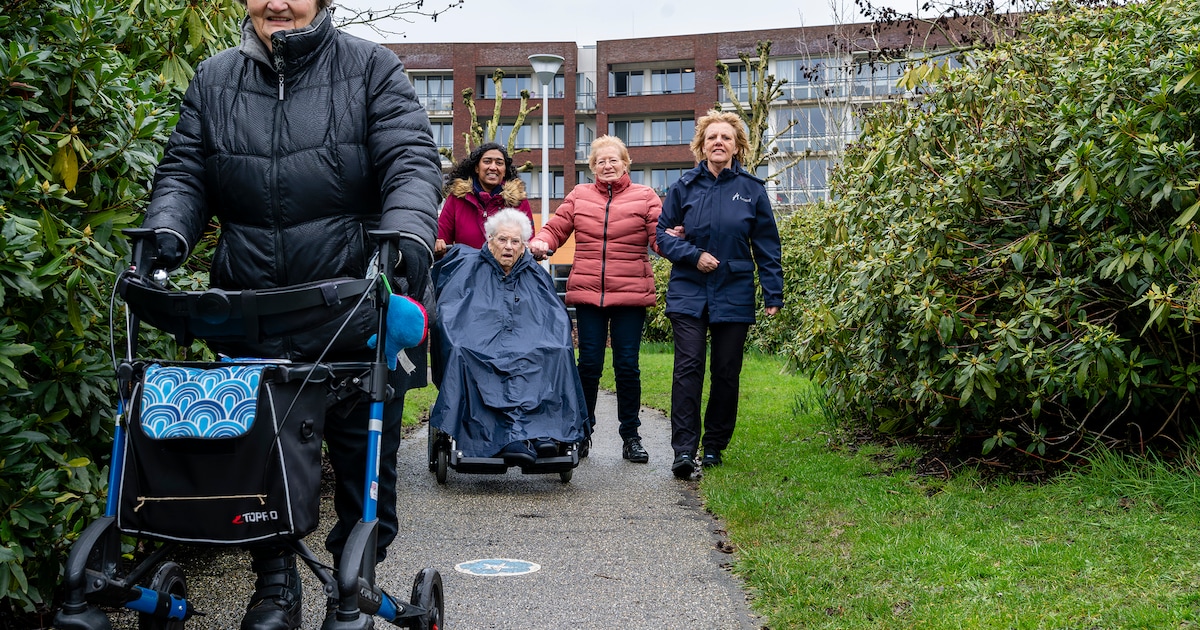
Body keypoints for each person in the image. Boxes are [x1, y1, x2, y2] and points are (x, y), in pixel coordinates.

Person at [140, 0, 442, 627]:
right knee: (257, 456)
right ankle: (276, 582)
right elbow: (186, 172)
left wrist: (407, 229)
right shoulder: (215, 78)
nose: (278, 2)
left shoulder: (370, 68)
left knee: (364, 461)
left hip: (350, 306)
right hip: (253, 311)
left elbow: (410, 159)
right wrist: (166, 229)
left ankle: (352, 578)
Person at [655, 110, 784, 480]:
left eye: (726, 137)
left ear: (737, 145)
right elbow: (662, 236)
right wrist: (693, 256)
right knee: (688, 369)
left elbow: (767, 246)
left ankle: (713, 446)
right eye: (712, 137)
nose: (718, 143)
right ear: (701, 144)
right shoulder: (683, 187)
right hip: (689, 292)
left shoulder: (752, 190)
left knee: (726, 372)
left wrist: (772, 292)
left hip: (734, 291)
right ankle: (683, 450)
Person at [528, 135, 661, 464]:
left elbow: (662, 237)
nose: (607, 165)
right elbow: (556, 227)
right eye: (600, 161)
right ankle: (582, 432)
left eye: (613, 159)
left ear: (626, 163)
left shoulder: (645, 197)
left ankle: (631, 436)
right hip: (589, 294)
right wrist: (541, 241)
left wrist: (681, 239)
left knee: (627, 366)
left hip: (630, 295)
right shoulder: (580, 196)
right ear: (592, 168)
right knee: (588, 366)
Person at [429, 209, 588, 467]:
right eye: (502, 240)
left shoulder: (534, 274)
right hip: (478, 343)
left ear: (524, 246)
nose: (508, 247)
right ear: (489, 239)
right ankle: (507, 437)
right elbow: (450, 312)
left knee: (556, 351)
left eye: (516, 242)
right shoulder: (468, 268)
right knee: (463, 352)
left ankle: (542, 432)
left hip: (527, 340)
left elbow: (555, 316)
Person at [435, 143, 534, 256]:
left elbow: (528, 242)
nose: (493, 167)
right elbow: (441, 238)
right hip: (466, 271)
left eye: (499, 163)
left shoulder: (518, 201)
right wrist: (439, 245)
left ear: (505, 170)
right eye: (487, 161)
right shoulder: (457, 198)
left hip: (507, 272)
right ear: (477, 168)